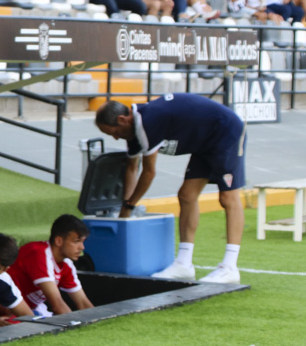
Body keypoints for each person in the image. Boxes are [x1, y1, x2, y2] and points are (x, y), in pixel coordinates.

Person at [95, 94, 247, 284]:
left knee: (228, 198)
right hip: (205, 141)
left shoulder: (146, 123)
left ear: (122, 120)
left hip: (225, 131)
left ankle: (230, 267)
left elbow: (149, 173)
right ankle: (184, 264)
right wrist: (125, 213)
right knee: (186, 195)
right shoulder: (132, 130)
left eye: (113, 132)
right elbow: (132, 168)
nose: (116, 138)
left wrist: (129, 206)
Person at [6, 214, 95, 316]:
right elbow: (57, 305)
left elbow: (83, 303)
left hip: (31, 309)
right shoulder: (39, 253)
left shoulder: (67, 264)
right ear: (59, 241)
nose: (82, 247)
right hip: (3, 309)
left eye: (83, 242)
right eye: (76, 241)